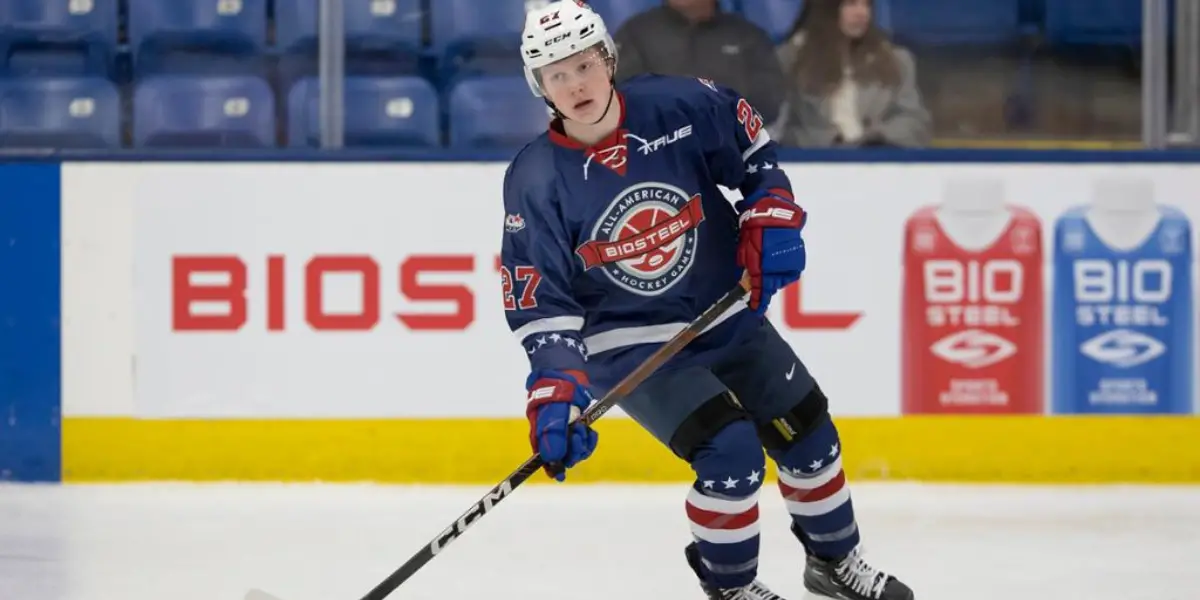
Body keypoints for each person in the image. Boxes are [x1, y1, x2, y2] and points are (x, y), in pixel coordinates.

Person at [499, 2, 914, 600]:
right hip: (632, 342)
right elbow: (541, 297)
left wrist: (769, 214)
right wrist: (557, 390)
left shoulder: (681, 104)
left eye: (583, 65)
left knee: (809, 434)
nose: (575, 84)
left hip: (722, 310)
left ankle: (834, 563)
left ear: (608, 59)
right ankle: (732, 586)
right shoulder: (535, 177)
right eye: (556, 74)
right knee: (731, 455)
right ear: (538, 85)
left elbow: (755, 155)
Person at [773, 0, 930, 148]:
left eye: (867, 4)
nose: (862, 13)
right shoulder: (790, 60)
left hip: (881, 165)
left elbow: (915, 122)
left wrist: (877, 137)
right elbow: (778, 128)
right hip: (812, 167)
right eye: (851, 3)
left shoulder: (896, 60)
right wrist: (825, 141)